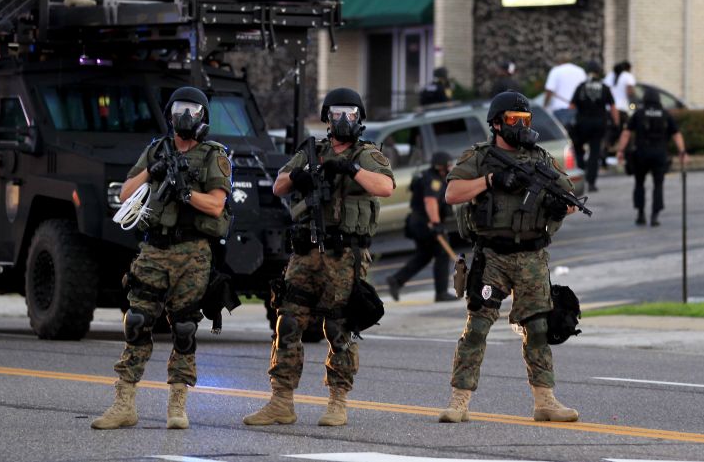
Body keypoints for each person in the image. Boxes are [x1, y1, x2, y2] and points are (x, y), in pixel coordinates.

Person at [244, 88, 394, 427]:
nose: (343, 120)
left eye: (351, 114)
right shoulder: (312, 151)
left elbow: (385, 187)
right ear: (327, 117)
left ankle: (337, 401)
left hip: (345, 253)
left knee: (339, 325)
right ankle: (281, 400)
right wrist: (298, 176)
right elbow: (278, 186)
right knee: (289, 321)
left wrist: (350, 168)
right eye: (337, 113)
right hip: (305, 251)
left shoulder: (366, 154)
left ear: (360, 118)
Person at [91, 87, 232, 430]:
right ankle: (124, 404)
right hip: (154, 249)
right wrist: (152, 172)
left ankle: (177, 406)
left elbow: (216, 205)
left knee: (184, 327)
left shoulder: (214, 155)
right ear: (170, 113)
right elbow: (124, 193)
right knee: (137, 321)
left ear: (203, 116)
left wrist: (185, 193)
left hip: (193, 252)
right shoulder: (156, 150)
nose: (186, 116)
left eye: (193, 109)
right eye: (180, 108)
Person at [438, 91, 579, 424]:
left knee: (539, 329)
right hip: (493, 256)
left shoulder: (539, 158)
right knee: (477, 327)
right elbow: (452, 193)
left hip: (531, 256)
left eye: (526, 121)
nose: (521, 127)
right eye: (514, 121)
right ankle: (459, 400)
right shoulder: (480, 158)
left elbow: (569, 197)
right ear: (497, 124)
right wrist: (490, 180)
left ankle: (545, 401)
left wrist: (563, 205)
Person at [387, 151, 457, 302]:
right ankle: (441, 293)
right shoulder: (434, 180)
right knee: (442, 253)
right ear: (440, 167)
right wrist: (437, 224)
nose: (450, 168)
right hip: (426, 223)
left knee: (424, 255)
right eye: (448, 165)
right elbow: (430, 201)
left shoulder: (426, 175)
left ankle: (396, 280)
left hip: (417, 221)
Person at [615, 87, 686, 226]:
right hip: (660, 154)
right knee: (658, 185)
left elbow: (626, 133)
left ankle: (640, 214)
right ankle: (655, 215)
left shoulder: (639, 113)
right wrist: (682, 151)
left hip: (641, 154)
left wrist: (620, 150)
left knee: (639, 183)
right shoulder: (665, 114)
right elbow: (676, 134)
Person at [570, 61, 618, 192]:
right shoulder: (604, 87)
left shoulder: (581, 87)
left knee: (578, 149)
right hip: (599, 124)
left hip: (582, 124)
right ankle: (591, 183)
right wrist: (617, 123)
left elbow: (572, 107)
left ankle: (581, 174)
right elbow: (613, 107)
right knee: (595, 153)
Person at [543, 54, 586, 130]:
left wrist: (545, 106)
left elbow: (549, 90)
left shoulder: (556, 70)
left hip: (560, 109)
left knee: (563, 136)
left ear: (559, 61)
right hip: (578, 109)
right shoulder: (580, 71)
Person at [602, 61, 636, 155]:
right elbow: (630, 92)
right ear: (628, 68)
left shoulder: (609, 76)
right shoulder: (627, 76)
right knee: (626, 132)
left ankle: (605, 153)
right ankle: (625, 154)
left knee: (609, 133)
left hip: (609, 109)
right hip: (622, 109)